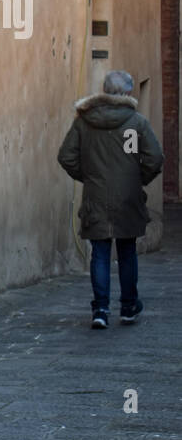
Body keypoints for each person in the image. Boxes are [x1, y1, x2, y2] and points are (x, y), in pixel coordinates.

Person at [57, 70, 163, 328]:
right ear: (127, 93)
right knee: (127, 252)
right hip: (128, 196)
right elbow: (155, 158)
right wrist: (138, 179)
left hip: (96, 195)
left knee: (100, 254)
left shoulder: (83, 121)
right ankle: (128, 307)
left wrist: (89, 177)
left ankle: (100, 310)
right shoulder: (137, 122)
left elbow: (66, 157)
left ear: (105, 90)